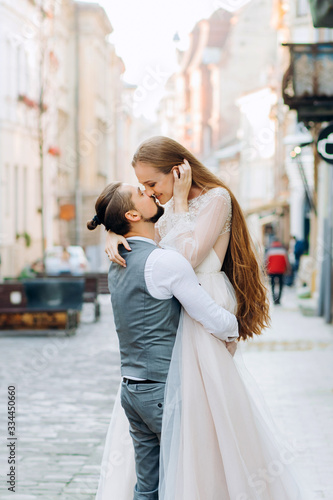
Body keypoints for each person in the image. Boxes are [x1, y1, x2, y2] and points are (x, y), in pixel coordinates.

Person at [101, 137, 308, 499]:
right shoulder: (160, 211)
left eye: (153, 184)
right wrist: (114, 232)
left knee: (206, 416)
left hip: (203, 304)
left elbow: (188, 256)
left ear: (179, 170)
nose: (150, 192)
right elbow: (143, 235)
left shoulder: (215, 198)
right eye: (144, 188)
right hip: (175, 306)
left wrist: (179, 202)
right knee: (177, 417)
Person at [88, 182, 239, 500]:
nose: (151, 193)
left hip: (131, 389)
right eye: (142, 193)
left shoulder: (117, 262)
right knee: (184, 481)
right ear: (132, 213)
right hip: (162, 389)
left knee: (148, 487)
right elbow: (209, 316)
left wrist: (112, 231)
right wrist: (233, 326)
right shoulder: (165, 263)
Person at [265, 239, 291, 305]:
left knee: (273, 285)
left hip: (271, 270)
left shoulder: (270, 250)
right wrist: (288, 269)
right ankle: (279, 299)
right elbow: (287, 261)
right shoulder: (283, 250)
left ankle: (274, 299)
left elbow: (266, 261)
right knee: (281, 285)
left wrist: (265, 270)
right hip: (281, 270)